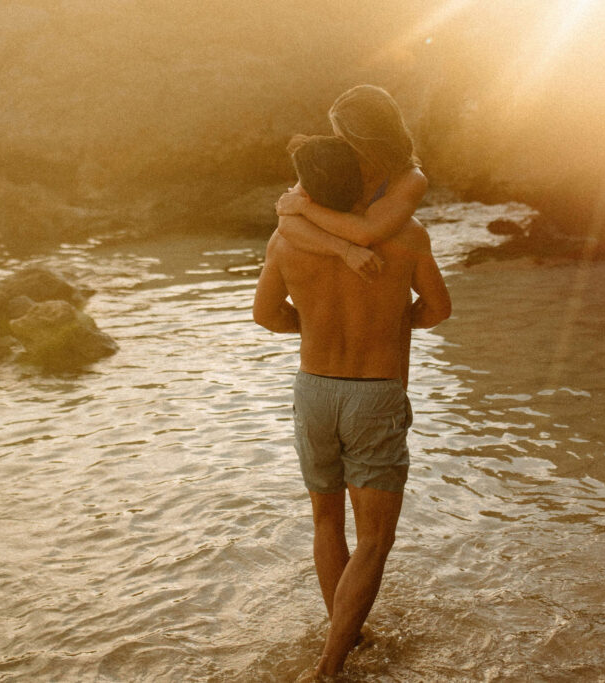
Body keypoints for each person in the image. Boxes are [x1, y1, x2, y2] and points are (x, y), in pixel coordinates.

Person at [253, 135, 451, 678]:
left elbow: (266, 315)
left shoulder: (288, 240)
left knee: (326, 521)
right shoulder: (408, 237)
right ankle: (329, 664)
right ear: (366, 180)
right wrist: (391, 323)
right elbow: (438, 308)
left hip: (313, 389)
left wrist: (313, 325)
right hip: (374, 394)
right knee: (375, 541)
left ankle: (350, 635)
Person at [275, 85, 429, 281]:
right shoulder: (336, 162)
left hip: (380, 283)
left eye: (344, 138)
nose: (340, 146)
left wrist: (304, 207)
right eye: (338, 137)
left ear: (369, 137)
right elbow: (287, 223)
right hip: (333, 282)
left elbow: (367, 232)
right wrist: (344, 250)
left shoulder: (409, 179)